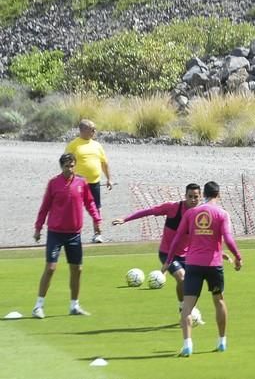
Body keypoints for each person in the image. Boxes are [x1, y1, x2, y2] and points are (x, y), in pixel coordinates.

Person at [163, 181, 242, 357]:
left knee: (187, 307)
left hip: (193, 265)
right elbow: (228, 239)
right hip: (214, 265)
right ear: (218, 195)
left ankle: (187, 345)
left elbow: (176, 239)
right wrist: (238, 257)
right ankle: (222, 342)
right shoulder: (222, 213)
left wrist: (169, 259)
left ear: (203, 194)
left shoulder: (191, 213)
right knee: (219, 301)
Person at [32, 153, 102, 319]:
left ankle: (74, 305)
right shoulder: (54, 183)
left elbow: (90, 202)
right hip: (55, 233)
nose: (69, 169)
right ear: (61, 166)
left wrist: (97, 219)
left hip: (74, 234)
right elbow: (45, 207)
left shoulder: (81, 182)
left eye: (72, 166)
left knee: (77, 269)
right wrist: (38, 227)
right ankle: (38, 306)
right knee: (50, 268)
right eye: (66, 166)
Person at [112, 183, 202, 311]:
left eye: (196, 197)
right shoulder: (172, 207)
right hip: (167, 253)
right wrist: (125, 219)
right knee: (182, 278)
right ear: (185, 196)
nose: (193, 200)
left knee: (193, 283)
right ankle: (183, 307)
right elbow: (148, 211)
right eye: (190, 196)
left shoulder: (201, 214)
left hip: (187, 255)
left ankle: (191, 309)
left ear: (201, 197)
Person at [65, 119, 112, 243]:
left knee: (96, 208)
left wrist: (109, 179)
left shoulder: (97, 145)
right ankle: (72, 233)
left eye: (94, 129)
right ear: (83, 130)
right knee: (75, 208)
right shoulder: (73, 145)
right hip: (77, 183)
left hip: (94, 182)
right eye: (92, 129)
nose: (94, 131)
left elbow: (104, 163)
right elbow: (66, 163)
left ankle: (98, 234)